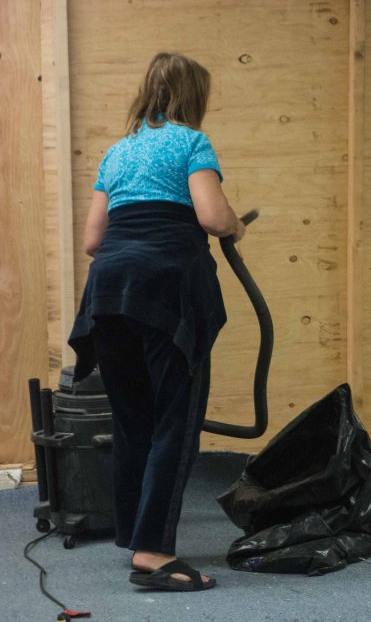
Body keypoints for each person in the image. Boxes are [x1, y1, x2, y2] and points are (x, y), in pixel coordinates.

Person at [68, 52, 246, 592]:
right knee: (175, 422)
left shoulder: (118, 152)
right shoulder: (191, 143)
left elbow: (93, 241)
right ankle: (154, 552)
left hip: (108, 293)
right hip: (167, 292)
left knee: (132, 422)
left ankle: (135, 536)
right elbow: (212, 217)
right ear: (195, 96)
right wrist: (235, 226)